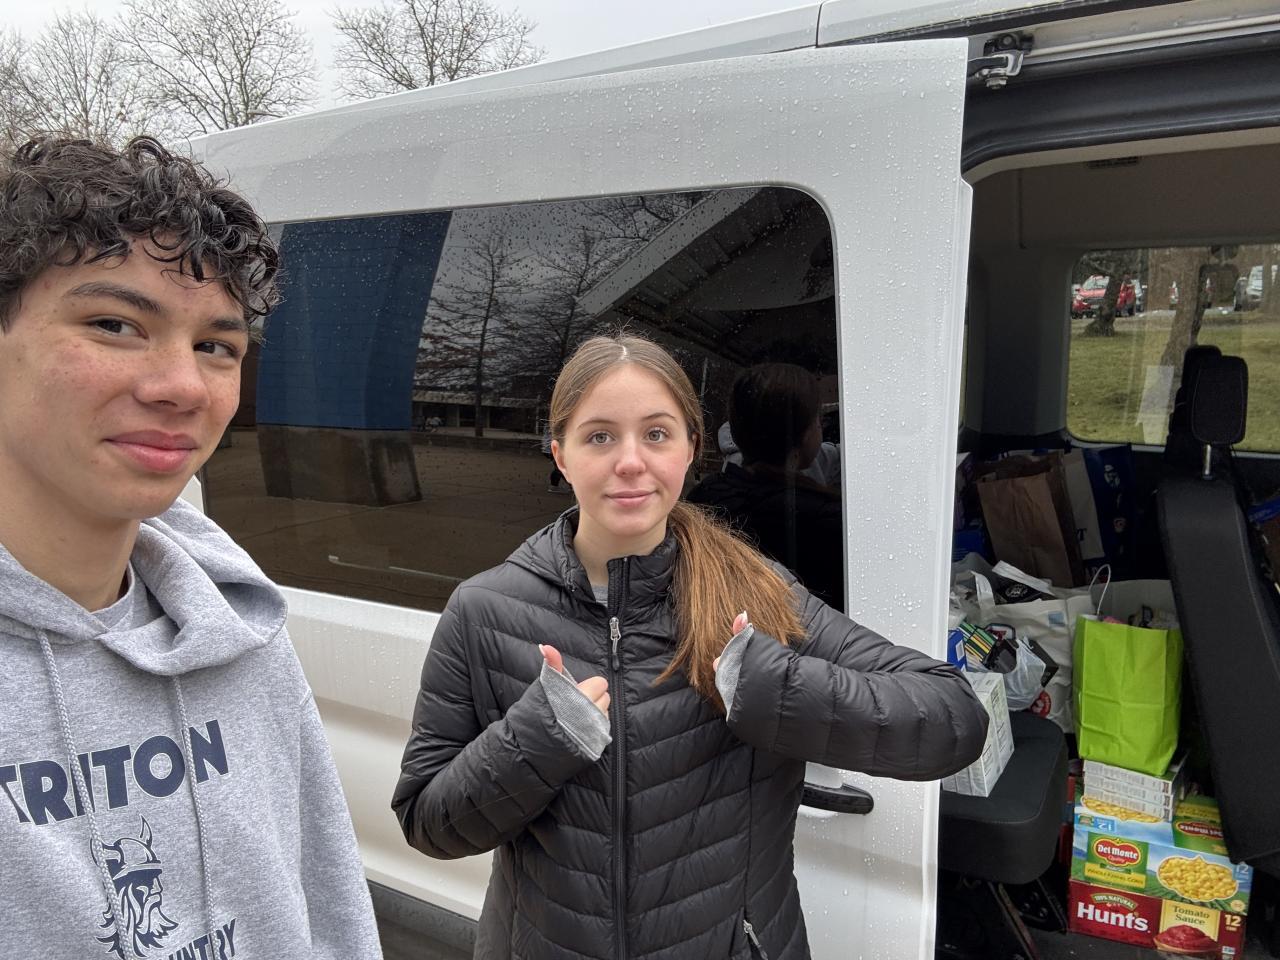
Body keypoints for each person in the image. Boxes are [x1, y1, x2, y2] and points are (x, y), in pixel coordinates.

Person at [393, 333, 988, 960]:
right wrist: (536, 740)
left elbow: (953, 716)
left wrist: (777, 691)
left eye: (656, 434)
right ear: (561, 456)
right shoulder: (482, 610)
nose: (630, 461)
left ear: (691, 450)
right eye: (599, 436)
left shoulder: (757, 595)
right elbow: (428, 824)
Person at [0, 136, 382, 959]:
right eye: (114, 324)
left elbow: (327, 901)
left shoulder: (243, 634)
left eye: (217, 346)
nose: (182, 387)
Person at [690, 363, 846, 611]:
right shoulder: (824, 521)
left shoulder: (705, 498)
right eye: (817, 421)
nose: (821, 427)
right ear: (804, 436)